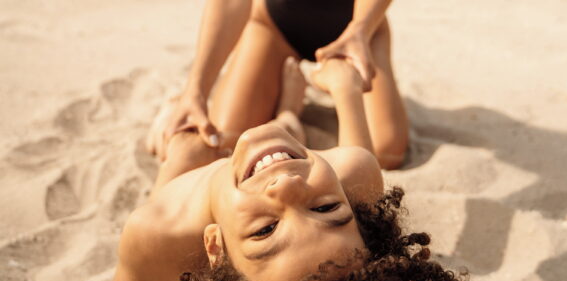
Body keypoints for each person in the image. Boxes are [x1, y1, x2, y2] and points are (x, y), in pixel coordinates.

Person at [114, 59, 462, 281]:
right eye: (326, 208)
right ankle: (288, 119)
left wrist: (176, 159)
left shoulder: (158, 230)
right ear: (356, 208)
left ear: (214, 248)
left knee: (189, 147)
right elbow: (358, 151)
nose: (288, 186)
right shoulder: (350, 172)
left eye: (265, 231)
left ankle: (283, 121)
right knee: (283, 140)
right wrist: (346, 89)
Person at [145, 0, 409, 169]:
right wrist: (196, 91)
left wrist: (360, 30)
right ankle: (288, 111)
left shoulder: (361, 28)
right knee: (225, 140)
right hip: (277, 22)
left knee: (386, 153)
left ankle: (289, 109)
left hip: (359, 25)